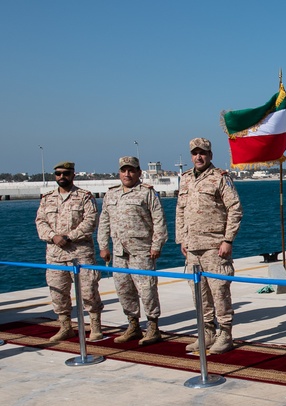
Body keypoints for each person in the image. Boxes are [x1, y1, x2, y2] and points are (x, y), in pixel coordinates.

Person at [175, 138, 242, 354]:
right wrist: (182, 239)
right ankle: (207, 332)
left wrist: (228, 239)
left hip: (215, 246)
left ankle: (225, 333)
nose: (198, 157)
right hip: (193, 248)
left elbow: (235, 208)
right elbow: (180, 211)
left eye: (203, 153)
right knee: (199, 294)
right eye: (195, 153)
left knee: (219, 292)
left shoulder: (220, 178)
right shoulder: (185, 179)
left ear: (210, 155)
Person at [98, 156, 168, 346]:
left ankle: (153, 326)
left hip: (142, 251)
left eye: (131, 170)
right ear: (119, 172)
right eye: (123, 170)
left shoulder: (147, 193)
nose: (127, 174)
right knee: (124, 290)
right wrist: (103, 245)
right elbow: (104, 221)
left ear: (139, 172)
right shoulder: (111, 195)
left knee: (147, 290)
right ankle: (133, 325)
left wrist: (156, 245)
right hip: (119, 252)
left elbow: (159, 221)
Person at [35, 161, 104, 341]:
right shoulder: (47, 198)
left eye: (65, 173)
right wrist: (53, 236)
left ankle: (95, 326)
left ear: (73, 174)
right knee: (58, 292)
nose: (61, 177)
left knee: (89, 290)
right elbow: (40, 222)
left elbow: (90, 222)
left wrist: (69, 237)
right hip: (55, 255)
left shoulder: (84, 197)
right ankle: (65, 326)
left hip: (80, 253)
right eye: (58, 174)